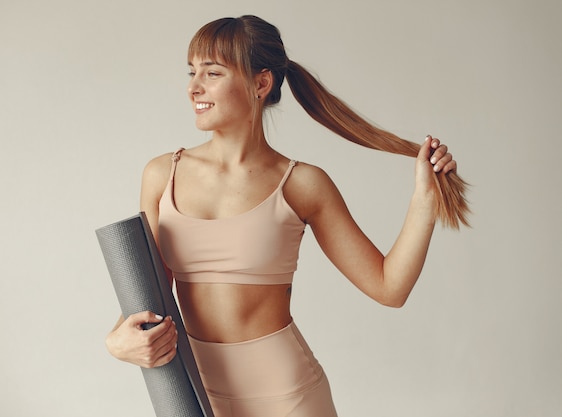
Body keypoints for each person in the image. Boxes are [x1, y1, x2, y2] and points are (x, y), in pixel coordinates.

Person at [105, 15, 469, 416]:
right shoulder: (161, 174)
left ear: (261, 84)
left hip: (288, 396)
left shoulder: (302, 184)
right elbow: (149, 295)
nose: (194, 87)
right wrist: (118, 340)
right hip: (196, 392)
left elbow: (389, 287)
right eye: (192, 72)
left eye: (212, 73)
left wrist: (425, 199)